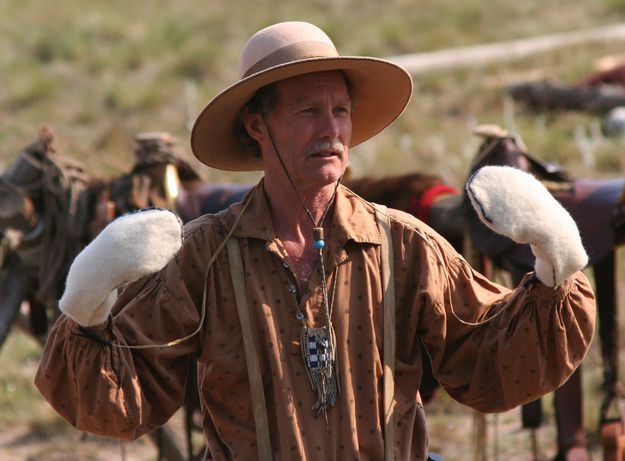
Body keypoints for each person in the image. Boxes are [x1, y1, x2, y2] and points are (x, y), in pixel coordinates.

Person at [35, 21, 595, 461]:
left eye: (340, 111)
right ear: (258, 125)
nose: (331, 129)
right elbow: (122, 398)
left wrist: (555, 266)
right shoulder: (204, 257)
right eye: (308, 111)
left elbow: (490, 362)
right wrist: (87, 307)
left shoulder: (404, 245)